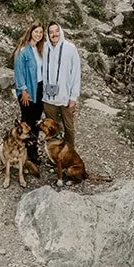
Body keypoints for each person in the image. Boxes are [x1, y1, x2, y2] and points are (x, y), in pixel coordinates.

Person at [41, 20, 81, 151]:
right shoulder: (44, 47)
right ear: (47, 34)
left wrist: (73, 96)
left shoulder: (70, 48)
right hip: (48, 96)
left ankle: (70, 153)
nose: (54, 34)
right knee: (51, 127)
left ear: (61, 31)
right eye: (51, 32)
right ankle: (55, 152)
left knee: (69, 127)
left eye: (56, 31)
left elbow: (76, 73)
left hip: (65, 95)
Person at [12, 21, 46, 169]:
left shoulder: (39, 49)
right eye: (36, 31)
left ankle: (33, 153)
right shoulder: (22, 51)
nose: (38, 34)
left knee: (36, 122)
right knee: (27, 122)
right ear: (30, 31)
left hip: (39, 88)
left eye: (40, 32)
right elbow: (19, 73)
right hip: (27, 90)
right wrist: (23, 91)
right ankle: (23, 153)